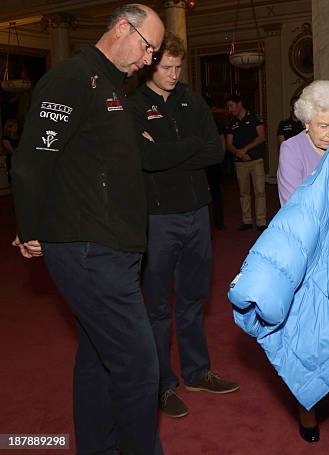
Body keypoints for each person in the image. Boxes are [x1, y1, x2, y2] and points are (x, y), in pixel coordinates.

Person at [11, 4, 165, 454]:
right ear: (122, 28)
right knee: (139, 366)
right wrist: (31, 226)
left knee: (99, 358)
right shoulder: (71, 78)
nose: (150, 58)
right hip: (88, 249)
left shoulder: (114, 86)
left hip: (111, 246)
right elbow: (32, 163)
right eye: (147, 45)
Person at [129, 31, 239, 419]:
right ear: (149, 65)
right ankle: (162, 384)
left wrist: (168, 152)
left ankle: (197, 372)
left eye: (178, 67)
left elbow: (214, 151)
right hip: (157, 218)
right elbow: (145, 158)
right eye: (166, 67)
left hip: (197, 212)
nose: (174, 74)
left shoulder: (192, 101)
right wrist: (187, 149)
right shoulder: (132, 104)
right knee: (157, 307)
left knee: (193, 301)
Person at [277, 80, 329, 441]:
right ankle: (307, 408)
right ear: (306, 120)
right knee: (309, 339)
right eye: (324, 125)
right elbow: (294, 208)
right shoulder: (292, 150)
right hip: (307, 257)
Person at [225, 95, 267, 231]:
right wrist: (239, 153)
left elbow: (262, 137)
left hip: (256, 161)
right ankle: (247, 221)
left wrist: (245, 149)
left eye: (231, 106)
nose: (229, 109)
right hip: (240, 162)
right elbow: (229, 144)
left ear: (239, 104)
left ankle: (261, 221)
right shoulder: (231, 123)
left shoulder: (255, 117)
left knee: (260, 192)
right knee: (244, 193)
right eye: (228, 107)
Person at [1, 119, 19, 184]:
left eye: (17, 126)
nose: (16, 128)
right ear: (9, 128)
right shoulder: (5, 138)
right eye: (15, 126)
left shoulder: (17, 137)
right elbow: (11, 150)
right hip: (11, 159)